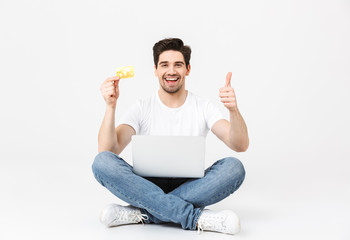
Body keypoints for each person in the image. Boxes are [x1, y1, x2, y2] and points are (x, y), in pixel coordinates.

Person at [92, 38, 249, 235]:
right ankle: (194, 218)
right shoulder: (142, 107)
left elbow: (240, 145)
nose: (171, 71)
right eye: (164, 65)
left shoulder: (203, 107)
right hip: (146, 185)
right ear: (156, 70)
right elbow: (107, 151)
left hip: (191, 186)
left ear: (188, 70)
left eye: (178, 65)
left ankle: (146, 213)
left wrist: (233, 110)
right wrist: (110, 106)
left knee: (234, 167)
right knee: (102, 162)